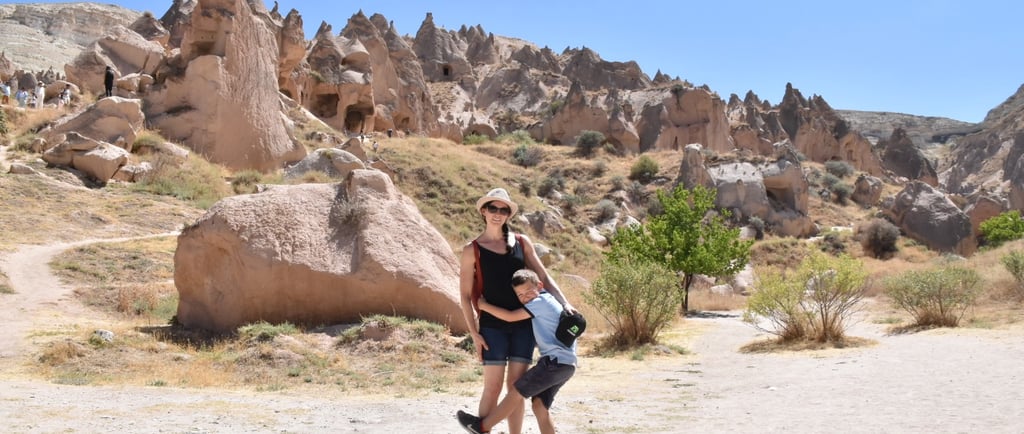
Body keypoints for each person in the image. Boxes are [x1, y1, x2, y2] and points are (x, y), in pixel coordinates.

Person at [459, 187, 575, 434]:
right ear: (483, 211)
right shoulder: (473, 250)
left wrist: (565, 303)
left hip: (524, 325)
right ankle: (483, 429)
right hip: (492, 326)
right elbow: (466, 296)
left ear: (508, 214)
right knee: (492, 387)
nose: (498, 213)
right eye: (493, 208)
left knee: (516, 387)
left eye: (503, 209)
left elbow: (543, 276)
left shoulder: (521, 243)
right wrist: (474, 333)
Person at [457, 269, 583, 434]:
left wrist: (483, 305)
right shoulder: (549, 299)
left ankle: (481, 426)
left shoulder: (540, 303)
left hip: (554, 363)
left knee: (516, 392)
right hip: (567, 365)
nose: (525, 298)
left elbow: (510, 317)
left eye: (529, 292)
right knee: (539, 405)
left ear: (539, 285)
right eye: (520, 295)